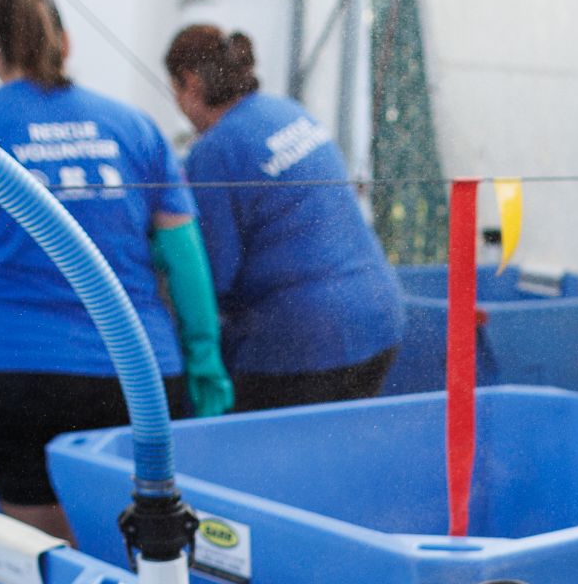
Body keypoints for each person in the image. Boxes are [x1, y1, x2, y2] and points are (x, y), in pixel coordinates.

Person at [0, 0, 231, 541]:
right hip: (136, 378)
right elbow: (184, 255)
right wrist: (203, 356)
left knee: (50, 560)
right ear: (67, 40)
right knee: (141, 553)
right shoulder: (134, 127)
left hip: (16, 377)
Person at [163, 24, 403, 410]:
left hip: (306, 344)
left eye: (174, 90)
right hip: (379, 319)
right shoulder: (286, 111)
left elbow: (212, 276)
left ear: (189, 83)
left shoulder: (215, 151)